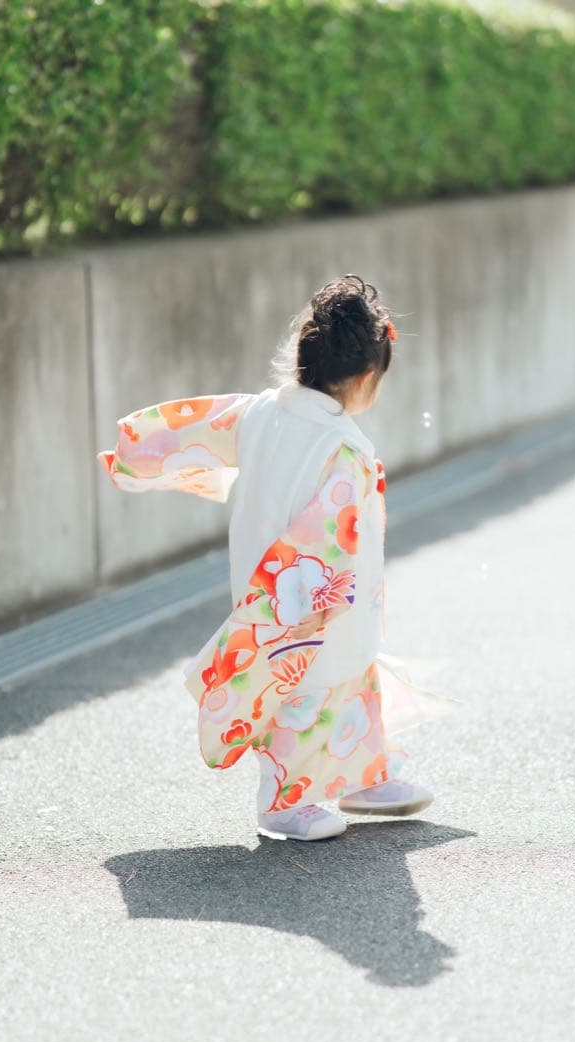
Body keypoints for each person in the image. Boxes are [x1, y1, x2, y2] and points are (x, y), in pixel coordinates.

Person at [97, 274, 462, 841]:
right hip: (309, 598)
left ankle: (364, 775)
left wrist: (135, 454)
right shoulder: (342, 446)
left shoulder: (259, 412)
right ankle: (282, 801)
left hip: (278, 587)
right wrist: (322, 603)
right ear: (368, 376)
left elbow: (190, 425)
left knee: (347, 684)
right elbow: (326, 539)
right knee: (302, 692)